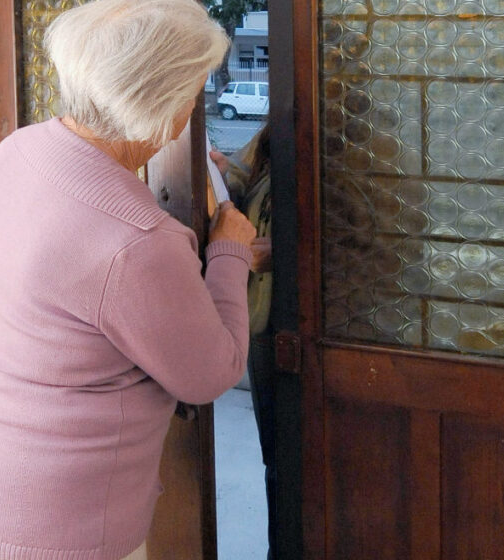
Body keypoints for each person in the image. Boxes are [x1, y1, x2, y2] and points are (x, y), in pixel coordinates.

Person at [0, 2, 256, 559]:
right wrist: (230, 250)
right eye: (195, 90)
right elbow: (209, 374)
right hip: (51, 524)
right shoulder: (138, 238)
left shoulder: (19, 150)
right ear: (166, 104)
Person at [211, 124, 275, 559]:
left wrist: (284, 251)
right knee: (277, 456)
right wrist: (219, 170)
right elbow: (240, 177)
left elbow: (361, 239)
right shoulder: (272, 137)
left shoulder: (355, 145)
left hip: (309, 322)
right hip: (263, 321)